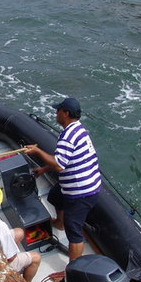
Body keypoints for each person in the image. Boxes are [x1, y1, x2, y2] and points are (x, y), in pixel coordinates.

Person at [24, 97, 101, 262]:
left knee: (74, 231)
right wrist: (44, 169)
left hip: (82, 192)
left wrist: (37, 151)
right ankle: (60, 222)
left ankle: (72, 269)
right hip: (83, 183)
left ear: (65, 113)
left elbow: (59, 164)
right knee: (54, 196)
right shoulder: (78, 130)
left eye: (58, 110)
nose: (56, 113)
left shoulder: (67, 137)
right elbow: (65, 160)